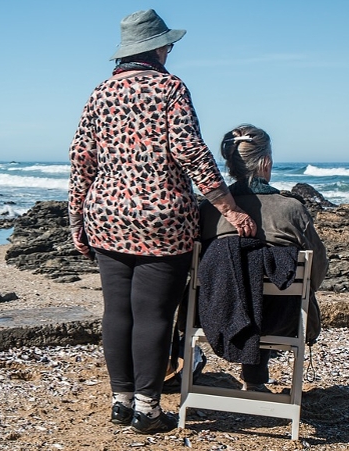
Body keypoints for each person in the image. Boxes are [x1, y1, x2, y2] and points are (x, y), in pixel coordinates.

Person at [68, 10, 257, 434]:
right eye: (167, 44)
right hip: (163, 218)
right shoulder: (170, 87)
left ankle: (120, 402)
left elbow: (82, 158)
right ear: (155, 47)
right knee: (153, 314)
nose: (170, 49)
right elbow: (190, 150)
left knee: (117, 312)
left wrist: (76, 219)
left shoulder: (100, 93)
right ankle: (147, 410)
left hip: (107, 214)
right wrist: (228, 206)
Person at [198, 124, 328, 392]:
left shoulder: (208, 210)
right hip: (281, 319)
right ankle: (255, 381)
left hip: (214, 315)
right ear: (266, 161)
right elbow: (317, 268)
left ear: (231, 164)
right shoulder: (291, 209)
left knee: (241, 282)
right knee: (271, 292)